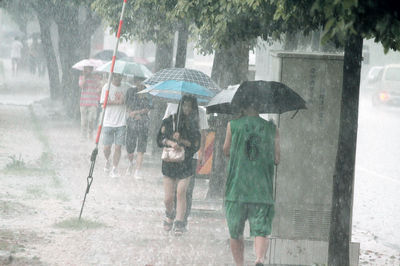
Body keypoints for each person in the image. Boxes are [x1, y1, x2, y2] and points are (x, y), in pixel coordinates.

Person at [222, 102, 280, 266]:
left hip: (237, 189)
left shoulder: (233, 125)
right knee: (261, 229)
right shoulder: (272, 128)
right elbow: (277, 158)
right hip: (262, 189)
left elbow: (226, 150)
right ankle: (259, 259)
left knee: (236, 232)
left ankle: (240, 264)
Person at [157, 95, 201, 235]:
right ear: (180, 105)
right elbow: (159, 139)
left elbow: (195, 145)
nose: (187, 109)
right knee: (168, 198)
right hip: (169, 163)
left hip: (185, 163)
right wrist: (171, 143)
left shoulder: (194, 125)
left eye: (190, 106)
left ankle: (179, 222)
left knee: (181, 193)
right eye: (185, 105)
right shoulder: (170, 120)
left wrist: (181, 141)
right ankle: (170, 215)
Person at [163, 103, 209, 229]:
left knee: (186, 191)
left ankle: (181, 220)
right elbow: (164, 130)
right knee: (171, 192)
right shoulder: (172, 107)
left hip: (190, 157)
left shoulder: (201, 111)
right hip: (172, 156)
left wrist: (202, 153)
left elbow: (203, 134)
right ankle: (171, 214)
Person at [100, 73, 128, 178]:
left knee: (118, 147)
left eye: (120, 76)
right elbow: (103, 103)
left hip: (121, 122)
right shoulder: (106, 87)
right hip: (108, 121)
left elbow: (128, 101)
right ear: (112, 76)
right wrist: (116, 102)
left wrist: (124, 100)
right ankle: (108, 160)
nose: (118, 78)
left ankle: (115, 168)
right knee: (106, 148)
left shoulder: (126, 87)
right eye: (116, 76)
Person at [125, 76, 152, 179]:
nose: (140, 83)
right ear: (135, 82)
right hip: (132, 123)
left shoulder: (148, 93)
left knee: (141, 148)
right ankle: (131, 163)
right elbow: (127, 105)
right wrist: (132, 113)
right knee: (130, 148)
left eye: (142, 81)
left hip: (143, 124)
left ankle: (138, 170)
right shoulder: (130, 92)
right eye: (138, 81)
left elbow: (148, 108)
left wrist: (137, 112)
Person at [79, 66, 102, 141]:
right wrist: (85, 77)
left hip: (93, 102)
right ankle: (83, 136)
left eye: (88, 68)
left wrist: (98, 90)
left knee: (91, 119)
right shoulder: (82, 77)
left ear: (91, 69)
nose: (86, 70)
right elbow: (82, 85)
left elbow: (100, 87)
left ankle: (90, 134)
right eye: (85, 68)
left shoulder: (96, 77)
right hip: (83, 102)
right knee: (84, 121)